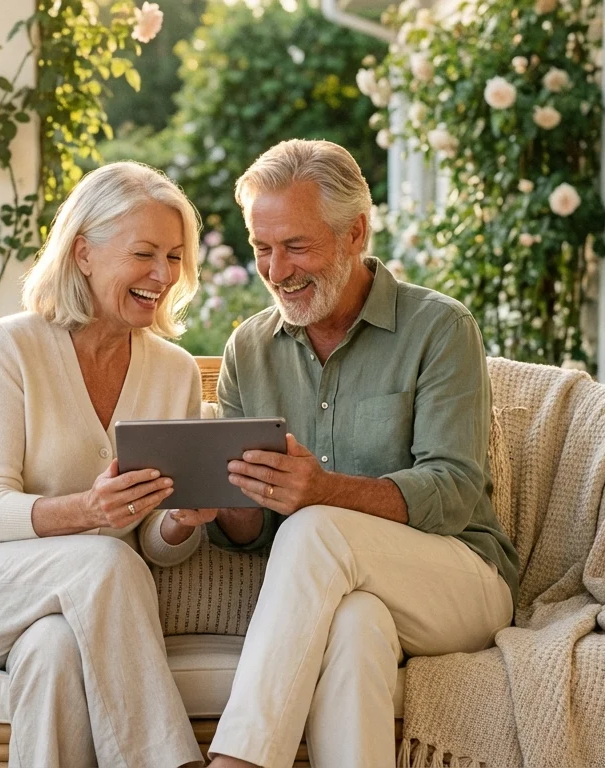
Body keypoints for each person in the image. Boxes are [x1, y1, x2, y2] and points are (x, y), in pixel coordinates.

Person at [203, 140, 521, 768]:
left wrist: (323, 492)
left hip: (460, 578)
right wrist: (222, 504)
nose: (276, 270)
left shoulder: (439, 328)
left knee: (318, 526)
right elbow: (252, 528)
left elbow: (455, 489)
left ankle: (237, 762)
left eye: (297, 246)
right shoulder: (249, 351)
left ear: (355, 233)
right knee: (355, 627)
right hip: (347, 589)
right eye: (262, 247)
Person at [0, 161, 215, 768]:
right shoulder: (10, 347)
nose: (162, 275)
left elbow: (153, 540)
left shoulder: (174, 372)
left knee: (53, 653)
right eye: (144, 253)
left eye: (175, 257)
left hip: (70, 605)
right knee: (104, 558)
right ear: (84, 254)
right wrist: (87, 510)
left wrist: (178, 522)